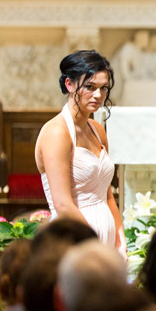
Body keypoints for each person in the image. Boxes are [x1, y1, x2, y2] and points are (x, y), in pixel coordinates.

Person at [35, 50, 125, 254]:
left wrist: (120, 241)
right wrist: (95, 246)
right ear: (69, 84)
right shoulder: (56, 132)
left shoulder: (98, 130)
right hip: (74, 241)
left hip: (105, 243)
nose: (98, 95)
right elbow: (63, 204)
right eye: (90, 87)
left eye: (103, 88)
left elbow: (108, 196)